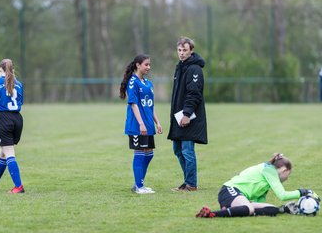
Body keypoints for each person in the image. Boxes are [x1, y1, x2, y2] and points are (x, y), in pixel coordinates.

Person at [196, 153, 320, 218]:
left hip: (236, 196)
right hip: (229, 190)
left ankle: (230, 211)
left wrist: (283, 209)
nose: (287, 178)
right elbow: (282, 195)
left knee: (272, 209)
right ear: (284, 170)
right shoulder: (270, 171)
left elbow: (259, 200)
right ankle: (212, 214)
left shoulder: (269, 173)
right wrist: (304, 191)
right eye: (289, 174)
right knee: (249, 208)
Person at [168, 36, 207, 192]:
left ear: (191, 51)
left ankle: (191, 184)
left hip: (189, 117)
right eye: (179, 50)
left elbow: (194, 94)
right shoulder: (181, 67)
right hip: (179, 117)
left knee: (187, 150)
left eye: (185, 50)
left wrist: (186, 113)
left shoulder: (194, 69)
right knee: (177, 150)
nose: (181, 53)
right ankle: (187, 181)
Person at [120, 54, 163, 194]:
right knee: (139, 153)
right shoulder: (133, 82)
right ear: (138, 65)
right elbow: (133, 103)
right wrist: (141, 124)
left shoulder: (148, 84)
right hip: (137, 125)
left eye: (149, 64)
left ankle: (139, 184)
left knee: (149, 154)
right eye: (146, 64)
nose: (148, 67)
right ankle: (139, 186)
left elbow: (150, 106)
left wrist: (157, 122)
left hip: (149, 124)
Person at [0, 59, 24, 193]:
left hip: (4, 119)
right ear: (12, 69)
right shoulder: (19, 84)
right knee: (3, 153)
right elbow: (21, 102)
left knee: (8, 152)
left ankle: (18, 186)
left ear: (0, 69)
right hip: (18, 119)